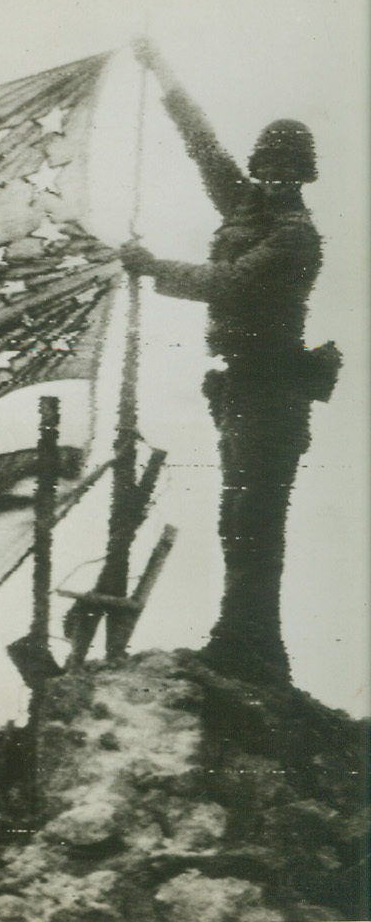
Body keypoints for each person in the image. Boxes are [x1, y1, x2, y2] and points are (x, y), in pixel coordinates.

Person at [120, 39, 339, 687]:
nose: (275, 181)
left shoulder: (295, 236)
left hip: (275, 390)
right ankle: (247, 641)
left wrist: (153, 267)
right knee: (236, 516)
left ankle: (252, 644)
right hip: (241, 387)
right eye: (268, 170)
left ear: (303, 178)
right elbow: (203, 145)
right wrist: (162, 71)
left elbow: (234, 283)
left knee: (255, 519)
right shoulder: (247, 206)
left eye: (287, 174)